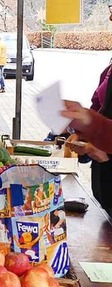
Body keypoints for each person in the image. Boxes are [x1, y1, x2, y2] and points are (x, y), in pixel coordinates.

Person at [64, 61, 112, 214]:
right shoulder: (108, 70)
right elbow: (98, 106)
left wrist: (91, 125)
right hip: (103, 169)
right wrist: (81, 132)